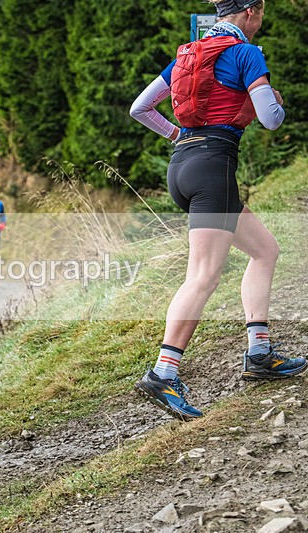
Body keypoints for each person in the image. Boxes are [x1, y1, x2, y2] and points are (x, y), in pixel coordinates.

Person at [129, 0, 305, 421]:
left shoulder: (189, 55)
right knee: (203, 276)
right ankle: (162, 374)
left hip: (183, 166)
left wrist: (177, 134)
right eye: (262, 12)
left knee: (265, 249)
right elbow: (272, 119)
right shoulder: (246, 53)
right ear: (251, 12)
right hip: (213, 169)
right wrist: (273, 98)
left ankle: (259, 353)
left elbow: (140, 108)